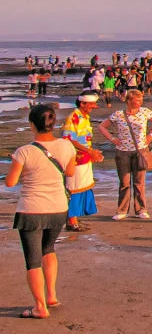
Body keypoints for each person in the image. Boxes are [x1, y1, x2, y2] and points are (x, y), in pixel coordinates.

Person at [5, 104, 77, 319]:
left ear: (31, 125)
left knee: (33, 259)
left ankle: (39, 307)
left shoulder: (24, 151)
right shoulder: (67, 146)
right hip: (58, 208)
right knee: (49, 249)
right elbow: (71, 171)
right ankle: (52, 296)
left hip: (32, 209)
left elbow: (10, 182)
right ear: (53, 124)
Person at [98, 89, 152, 220]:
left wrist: (151, 134)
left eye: (141, 100)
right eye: (136, 100)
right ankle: (122, 211)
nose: (139, 102)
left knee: (139, 182)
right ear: (129, 101)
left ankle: (141, 210)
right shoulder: (118, 114)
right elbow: (102, 126)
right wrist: (112, 139)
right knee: (124, 182)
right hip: (123, 152)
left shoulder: (145, 112)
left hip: (141, 151)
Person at [62, 91, 104, 232]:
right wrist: (90, 152)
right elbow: (68, 139)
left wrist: (91, 153)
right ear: (82, 103)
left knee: (82, 187)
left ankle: (74, 219)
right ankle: (72, 221)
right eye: (91, 104)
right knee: (74, 188)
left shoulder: (84, 116)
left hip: (84, 158)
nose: (94, 107)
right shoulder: (73, 117)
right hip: (75, 159)